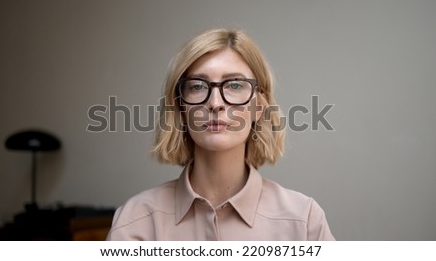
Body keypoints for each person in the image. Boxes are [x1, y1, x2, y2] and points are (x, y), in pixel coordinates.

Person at [106, 28, 334, 240]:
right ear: (180, 108)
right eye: (197, 86)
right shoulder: (135, 222)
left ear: (259, 106)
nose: (215, 104)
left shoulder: (304, 222)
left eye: (235, 85)